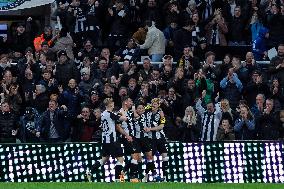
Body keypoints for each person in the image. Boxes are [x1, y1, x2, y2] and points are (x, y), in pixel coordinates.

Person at [88, 98, 129, 182]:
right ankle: (118, 180)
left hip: (105, 140)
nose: (113, 104)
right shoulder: (110, 114)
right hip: (112, 140)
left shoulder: (103, 114)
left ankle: (90, 172)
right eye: (113, 103)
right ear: (110, 105)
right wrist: (123, 113)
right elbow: (124, 119)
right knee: (120, 159)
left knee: (104, 159)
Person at [144, 98, 168, 182]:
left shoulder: (161, 115)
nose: (153, 105)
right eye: (152, 104)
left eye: (155, 104)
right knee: (150, 158)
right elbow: (143, 107)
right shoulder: (147, 112)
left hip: (160, 138)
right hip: (151, 139)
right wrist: (150, 105)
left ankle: (165, 177)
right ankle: (146, 176)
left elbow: (161, 126)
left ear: (158, 105)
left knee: (165, 157)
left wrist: (150, 129)